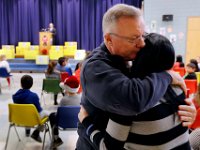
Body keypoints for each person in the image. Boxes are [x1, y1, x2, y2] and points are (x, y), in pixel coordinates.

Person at [75, 4, 195, 149]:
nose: (142, 43)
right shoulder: (95, 67)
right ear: (109, 40)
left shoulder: (131, 56)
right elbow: (133, 100)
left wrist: (187, 110)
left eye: (142, 35)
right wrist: (166, 76)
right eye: (133, 39)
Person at [12, 75, 48, 142]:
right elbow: (39, 110)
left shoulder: (14, 96)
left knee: (25, 112)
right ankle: (36, 132)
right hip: (32, 119)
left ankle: (27, 131)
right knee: (47, 115)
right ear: (31, 84)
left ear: (21, 84)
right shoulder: (34, 96)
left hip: (18, 119)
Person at [49, 75, 81, 148]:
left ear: (66, 89)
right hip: (78, 123)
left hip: (63, 124)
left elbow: (58, 114)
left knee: (52, 115)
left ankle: (56, 138)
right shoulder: (81, 98)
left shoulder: (64, 100)